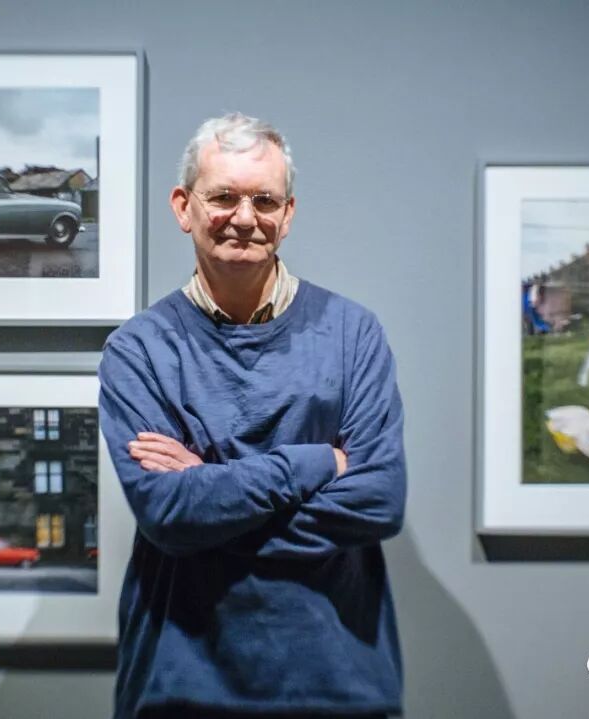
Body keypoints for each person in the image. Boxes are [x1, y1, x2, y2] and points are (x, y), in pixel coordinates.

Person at [98, 113, 407, 719]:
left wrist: (208, 487)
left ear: (287, 214)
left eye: (264, 200)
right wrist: (317, 463)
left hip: (338, 685)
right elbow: (168, 514)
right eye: (224, 197)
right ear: (183, 206)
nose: (245, 218)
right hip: (181, 688)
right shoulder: (138, 350)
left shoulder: (353, 334)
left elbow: (380, 501)